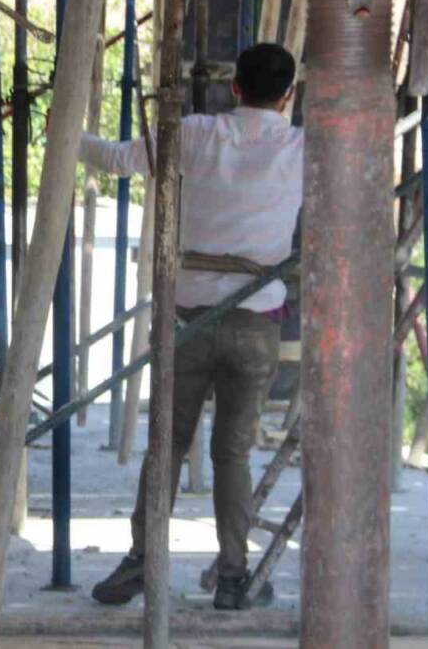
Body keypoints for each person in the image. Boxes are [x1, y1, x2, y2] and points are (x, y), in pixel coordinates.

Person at [84, 43, 302, 611]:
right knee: (232, 453)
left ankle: (140, 561)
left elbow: (114, 160)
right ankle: (234, 576)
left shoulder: (197, 134)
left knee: (168, 444)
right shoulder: (305, 149)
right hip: (257, 322)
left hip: (189, 319)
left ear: (234, 87)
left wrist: (62, 134)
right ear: (289, 95)